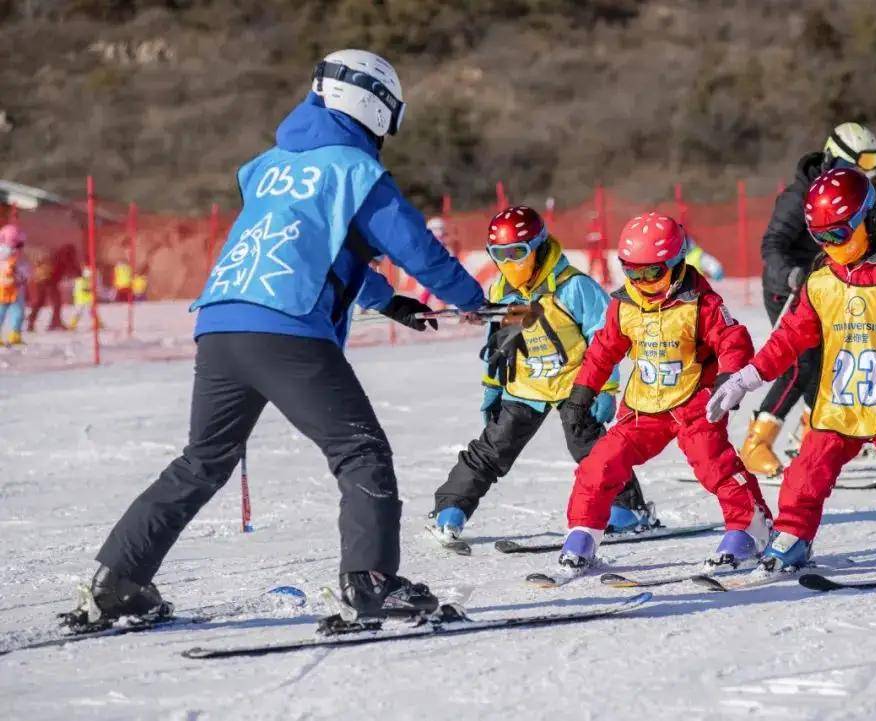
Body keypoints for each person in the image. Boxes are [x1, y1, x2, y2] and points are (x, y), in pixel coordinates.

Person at [71, 49, 488, 630]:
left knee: (201, 462)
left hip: (220, 325)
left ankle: (119, 580)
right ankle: (371, 583)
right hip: (285, 328)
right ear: (373, 105)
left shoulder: (267, 165)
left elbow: (309, 250)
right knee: (360, 452)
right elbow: (415, 248)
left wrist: (387, 301)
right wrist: (476, 301)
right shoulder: (353, 169)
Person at [708, 168, 876, 576]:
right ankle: (793, 535)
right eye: (821, 237)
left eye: (839, 234)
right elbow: (787, 340)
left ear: (868, 221)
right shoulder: (821, 285)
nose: (831, 246)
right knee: (808, 467)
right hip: (838, 401)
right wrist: (746, 378)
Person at [554, 213, 772, 575]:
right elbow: (602, 351)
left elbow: (733, 340)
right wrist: (582, 393)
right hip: (643, 408)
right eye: (632, 272)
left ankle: (751, 529)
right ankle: (583, 533)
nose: (641, 282)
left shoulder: (702, 303)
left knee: (713, 464)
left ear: (675, 263)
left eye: (652, 273)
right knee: (599, 462)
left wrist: (729, 378)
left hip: (696, 402)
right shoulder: (624, 305)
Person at [430, 206, 654, 543]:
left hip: (574, 385)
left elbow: (605, 337)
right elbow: (500, 344)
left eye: (517, 253)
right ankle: (452, 507)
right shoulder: (501, 292)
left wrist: (605, 387)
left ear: (537, 247)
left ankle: (629, 508)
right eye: (499, 254)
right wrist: (493, 385)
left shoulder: (573, 287)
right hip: (526, 385)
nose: (508, 263)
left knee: (593, 450)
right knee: (493, 447)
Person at [745, 121, 876, 478]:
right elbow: (771, 245)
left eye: (874, 161)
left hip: (824, 289)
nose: (868, 170)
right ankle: (756, 442)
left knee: (832, 363)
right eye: (864, 161)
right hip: (788, 288)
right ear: (836, 157)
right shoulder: (799, 196)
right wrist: (792, 274)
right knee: (800, 363)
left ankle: (812, 437)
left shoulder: (853, 194)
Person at [0, 224, 30, 345]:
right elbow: (23, 270)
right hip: (8, 288)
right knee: (13, 312)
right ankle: (15, 334)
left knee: (17, 312)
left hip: (12, 289)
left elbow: (23, 270)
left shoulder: (15, 255)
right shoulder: (11, 254)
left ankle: (15, 334)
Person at [68, 265, 101, 330]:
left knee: (92, 312)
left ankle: (98, 324)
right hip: (81, 300)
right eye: (89, 276)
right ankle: (72, 326)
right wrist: (92, 289)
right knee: (78, 313)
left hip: (87, 299)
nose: (90, 278)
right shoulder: (80, 281)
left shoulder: (85, 280)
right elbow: (84, 289)